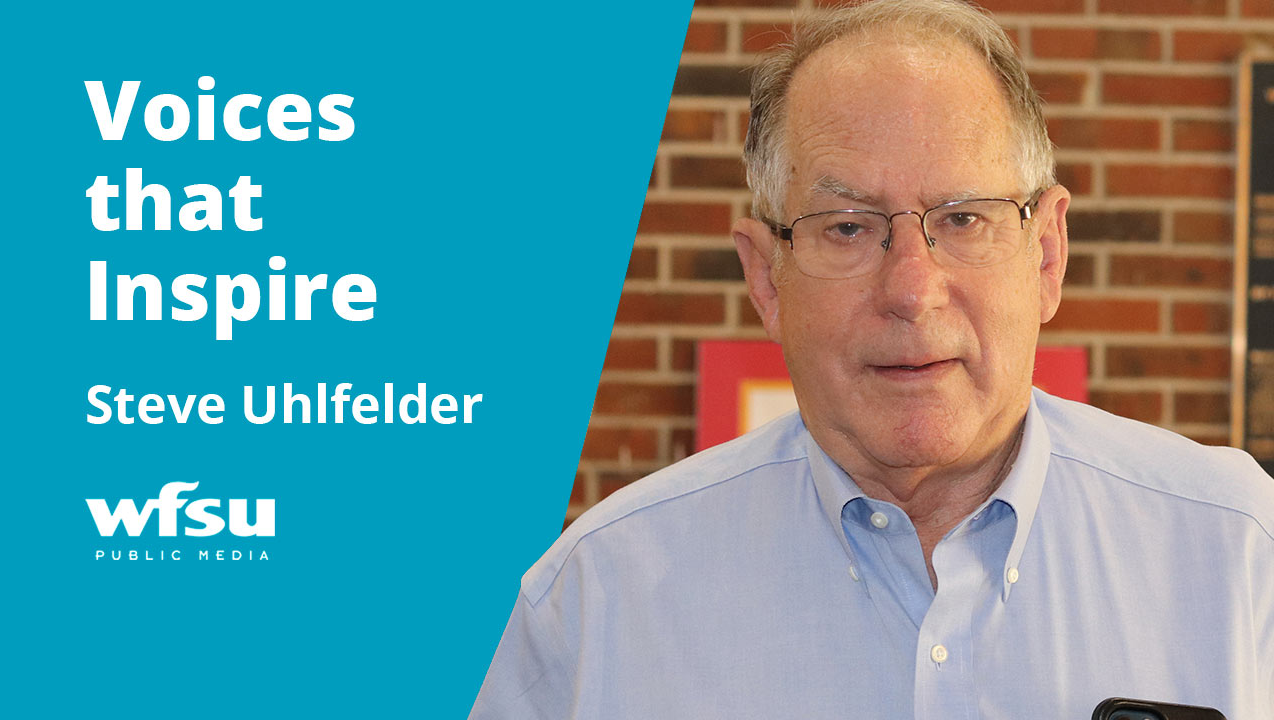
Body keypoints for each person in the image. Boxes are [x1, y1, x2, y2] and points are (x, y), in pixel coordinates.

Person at [470, 1, 1274, 717]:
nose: (913, 290)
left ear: (1047, 254)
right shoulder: (597, 599)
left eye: (963, 219)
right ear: (766, 280)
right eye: (848, 226)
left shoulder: (1238, 550)